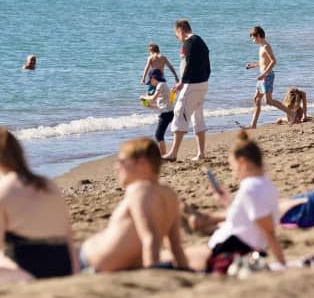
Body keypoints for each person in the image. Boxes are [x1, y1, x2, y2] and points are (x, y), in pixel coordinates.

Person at [79, 138, 187, 272]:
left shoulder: (140, 189)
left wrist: (154, 273)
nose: (117, 167)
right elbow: (175, 245)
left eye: (122, 162)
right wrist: (185, 270)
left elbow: (150, 238)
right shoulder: (169, 193)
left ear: (142, 163)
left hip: (89, 262)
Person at [185, 131, 285, 273]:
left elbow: (269, 232)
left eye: (232, 167)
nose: (233, 172)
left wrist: (282, 264)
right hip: (228, 246)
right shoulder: (262, 183)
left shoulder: (251, 188)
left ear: (242, 162)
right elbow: (246, 220)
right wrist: (226, 200)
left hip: (228, 251)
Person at [0, 129, 77, 280]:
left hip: (27, 269)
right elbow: (68, 235)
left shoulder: (4, 190)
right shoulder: (47, 183)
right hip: (62, 263)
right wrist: (74, 270)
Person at [163, 19, 210, 161]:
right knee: (198, 117)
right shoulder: (200, 40)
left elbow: (189, 64)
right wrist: (205, 78)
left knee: (179, 113)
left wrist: (182, 82)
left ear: (180, 30)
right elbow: (207, 64)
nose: (177, 38)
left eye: (176, 35)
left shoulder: (189, 42)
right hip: (202, 84)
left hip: (192, 85)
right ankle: (201, 153)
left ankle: (173, 153)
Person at [243, 26, 289, 129]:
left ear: (258, 35)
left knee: (269, 101)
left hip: (267, 76)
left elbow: (273, 61)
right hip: (263, 76)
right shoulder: (261, 47)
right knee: (256, 99)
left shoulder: (266, 47)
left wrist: (264, 74)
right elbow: (264, 62)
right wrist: (253, 66)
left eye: (253, 38)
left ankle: (291, 113)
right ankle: (253, 125)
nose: (253, 41)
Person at [139, 69, 175, 155]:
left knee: (158, 135)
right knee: (161, 134)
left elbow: (153, 98)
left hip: (166, 114)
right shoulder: (162, 86)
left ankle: (163, 155)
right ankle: (164, 154)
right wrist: (148, 106)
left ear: (154, 78)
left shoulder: (161, 85)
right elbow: (160, 105)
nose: (151, 83)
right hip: (168, 113)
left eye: (150, 81)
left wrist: (144, 97)